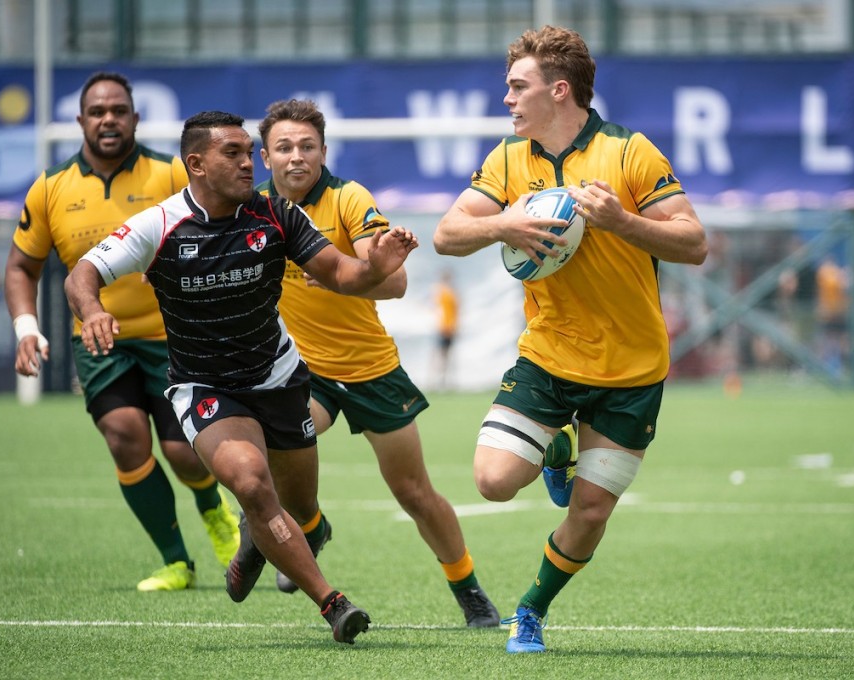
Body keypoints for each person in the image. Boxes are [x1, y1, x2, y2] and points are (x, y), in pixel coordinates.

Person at [65, 110, 418, 644]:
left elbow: (343, 274)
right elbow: (82, 273)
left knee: (301, 509)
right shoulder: (159, 226)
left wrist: (377, 266)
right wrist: (92, 310)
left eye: (248, 153)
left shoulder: (277, 214)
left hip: (279, 380)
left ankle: (263, 536)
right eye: (232, 154)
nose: (247, 163)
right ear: (196, 164)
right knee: (253, 483)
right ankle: (333, 604)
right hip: (205, 389)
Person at [433, 26, 708, 653]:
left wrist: (621, 221)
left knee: (589, 512)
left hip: (633, 368)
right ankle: (558, 451)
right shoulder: (508, 159)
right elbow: (448, 233)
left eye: (517, 87)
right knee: (494, 481)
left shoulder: (630, 152)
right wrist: (508, 221)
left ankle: (531, 610)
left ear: (559, 91)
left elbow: (694, 243)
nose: (507, 98)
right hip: (550, 354)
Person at [254, 98, 499, 627]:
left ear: (323, 152)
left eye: (307, 146)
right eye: (284, 147)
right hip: (301, 371)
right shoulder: (253, 210)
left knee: (413, 492)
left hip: (370, 370)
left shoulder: (348, 199)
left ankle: (468, 589)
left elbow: (397, 281)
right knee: (269, 450)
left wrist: (348, 277)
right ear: (265, 157)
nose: (296, 156)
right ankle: (312, 529)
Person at [4, 72, 239, 592]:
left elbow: (219, 224)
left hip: (175, 336)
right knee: (125, 436)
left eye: (118, 110)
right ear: (81, 120)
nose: (108, 119)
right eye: (97, 111)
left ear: (134, 117)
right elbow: (23, 267)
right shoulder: (51, 188)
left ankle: (213, 509)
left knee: (183, 451)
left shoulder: (172, 171)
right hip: (98, 340)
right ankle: (176, 560)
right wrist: (26, 327)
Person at [433, 268, 460, 390]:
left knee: (445, 355)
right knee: (442, 355)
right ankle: (439, 381)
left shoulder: (449, 293)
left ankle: (444, 381)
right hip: (444, 327)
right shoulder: (444, 292)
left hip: (448, 327)